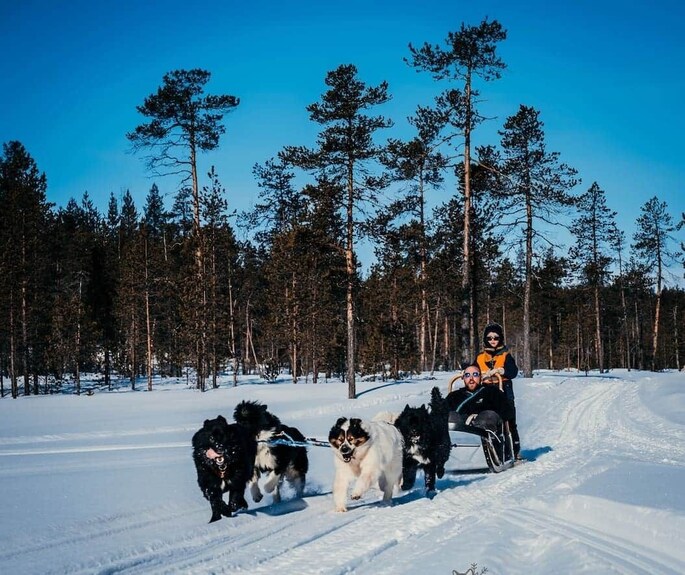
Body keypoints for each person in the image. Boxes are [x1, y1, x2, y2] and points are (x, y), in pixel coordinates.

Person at [475, 322, 522, 459]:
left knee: (509, 420)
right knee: (487, 419)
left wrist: (503, 371)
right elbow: (473, 369)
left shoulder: (505, 356)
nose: (493, 341)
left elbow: (513, 372)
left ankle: (515, 449)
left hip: (504, 391)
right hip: (486, 391)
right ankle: (490, 448)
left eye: (496, 337)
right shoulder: (480, 357)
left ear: (500, 338)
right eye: (489, 338)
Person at [445, 363, 513, 436]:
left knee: (487, 416)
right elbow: (440, 413)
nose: (471, 378)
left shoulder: (493, 392)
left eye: (475, 374)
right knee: (451, 416)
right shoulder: (454, 396)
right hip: (459, 435)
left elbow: (507, 412)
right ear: (463, 378)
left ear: (480, 377)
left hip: (487, 433)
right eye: (467, 375)